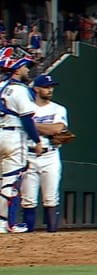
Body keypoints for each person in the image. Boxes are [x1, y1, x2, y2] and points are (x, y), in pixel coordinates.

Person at [0, 49, 44, 233]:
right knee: (10, 182)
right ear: (16, 69)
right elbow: (27, 119)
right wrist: (37, 140)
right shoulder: (19, 90)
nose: (28, 70)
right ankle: (5, 223)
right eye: (25, 66)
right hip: (13, 135)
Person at [18, 74, 67, 232]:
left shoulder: (58, 108)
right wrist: (45, 128)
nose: (50, 90)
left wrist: (30, 124)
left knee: (51, 197)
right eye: (46, 87)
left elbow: (57, 129)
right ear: (36, 89)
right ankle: (28, 238)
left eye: (51, 86)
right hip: (29, 154)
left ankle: (52, 236)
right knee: (28, 200)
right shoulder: (27, 107)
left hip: (50, 155)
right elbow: (50, 128)